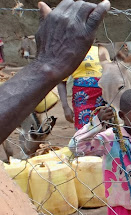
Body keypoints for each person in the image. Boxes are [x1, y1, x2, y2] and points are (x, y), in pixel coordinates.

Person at [0, 0, 110, 143]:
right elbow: (62, 83)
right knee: (84, 133)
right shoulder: (72, 52)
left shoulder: (98, 51)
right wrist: (46, 66)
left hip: (100, 94)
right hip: (81, 95)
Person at [57, 44, 108, 130]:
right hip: (83, 97)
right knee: (84, 129)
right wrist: (65, 107)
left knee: (106, 128)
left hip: (105, 96)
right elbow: (61, 81)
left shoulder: (100, 50)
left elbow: (109, 70)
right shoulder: (70, 52)